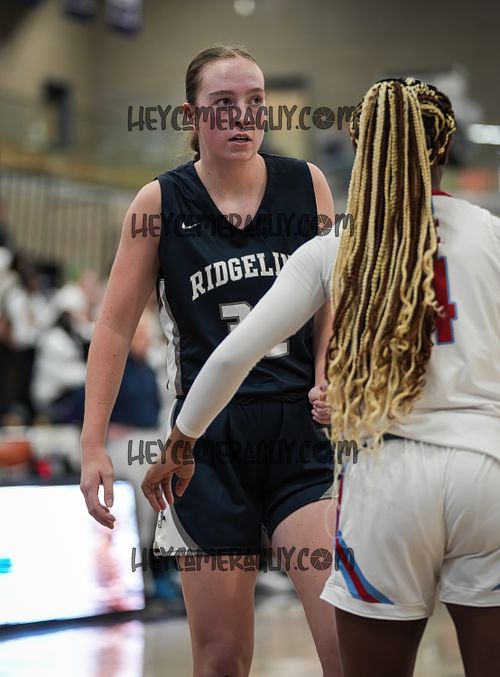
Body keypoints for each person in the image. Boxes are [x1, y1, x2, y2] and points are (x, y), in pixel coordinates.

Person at [141, 78, 500, 677]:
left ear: (361, 148)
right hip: (486, 469)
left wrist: (180, 442)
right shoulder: (490, 232)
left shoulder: (336, 246)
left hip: (389, 476)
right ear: (445, 146)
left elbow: (230, 357)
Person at [80, 45, 341, 677]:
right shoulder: (159, 203)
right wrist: (92, 443)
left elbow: (332, 299)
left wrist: (329, 374)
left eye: (255, 101)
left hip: (299, 437)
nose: (242, 116)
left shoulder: (306, 183)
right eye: (223, 103)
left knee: (345, 644)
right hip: (203, 444)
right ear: (191, 116)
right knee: (221, 659)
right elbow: (113, 326)